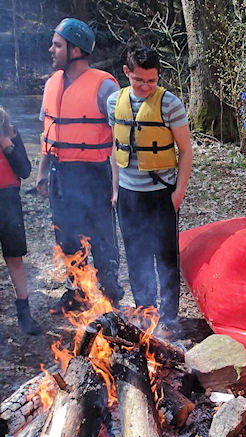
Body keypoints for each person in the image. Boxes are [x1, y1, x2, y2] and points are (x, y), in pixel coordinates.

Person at [36, 18, 123, 314]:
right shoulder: (51, 84)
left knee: (102, 237)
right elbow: (48, 132)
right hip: (61, 175)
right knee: (67, 236)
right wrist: (42, 174)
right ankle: (79, 291)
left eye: (57, 45)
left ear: (75, 50)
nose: (51, 50)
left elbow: (121, 138)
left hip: (93, 175)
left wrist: (116, 184)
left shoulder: (104, 86)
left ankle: (110, 294)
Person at [107, 45, 192, 332]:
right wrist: (116, 188)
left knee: (166, 257)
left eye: (152, 81)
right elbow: (115, 148)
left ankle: (169, 318)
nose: (146, 86)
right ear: (126, 72)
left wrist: (178, 192)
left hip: (161, 193)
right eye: (139, 80)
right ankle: (145, 312)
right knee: (136, 255)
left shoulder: (170, 104)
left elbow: (186, 151)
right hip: (129, 195)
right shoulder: (113, 102)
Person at [0, 107, 42, 335]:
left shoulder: (12, 134)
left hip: (8, 200)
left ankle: (24, 313)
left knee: (14, 257)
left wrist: (7, 144)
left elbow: (25, 170)